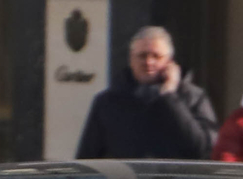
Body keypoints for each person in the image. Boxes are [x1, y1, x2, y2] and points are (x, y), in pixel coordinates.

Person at [76, 26, 219, 161]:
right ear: (131, 60)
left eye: (156, 56)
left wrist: (169, 97)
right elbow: (88, 159)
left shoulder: (193, 97)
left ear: (169, 62)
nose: (148, 62)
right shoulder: (108, 102)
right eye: (142, 56)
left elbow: (205, 149)